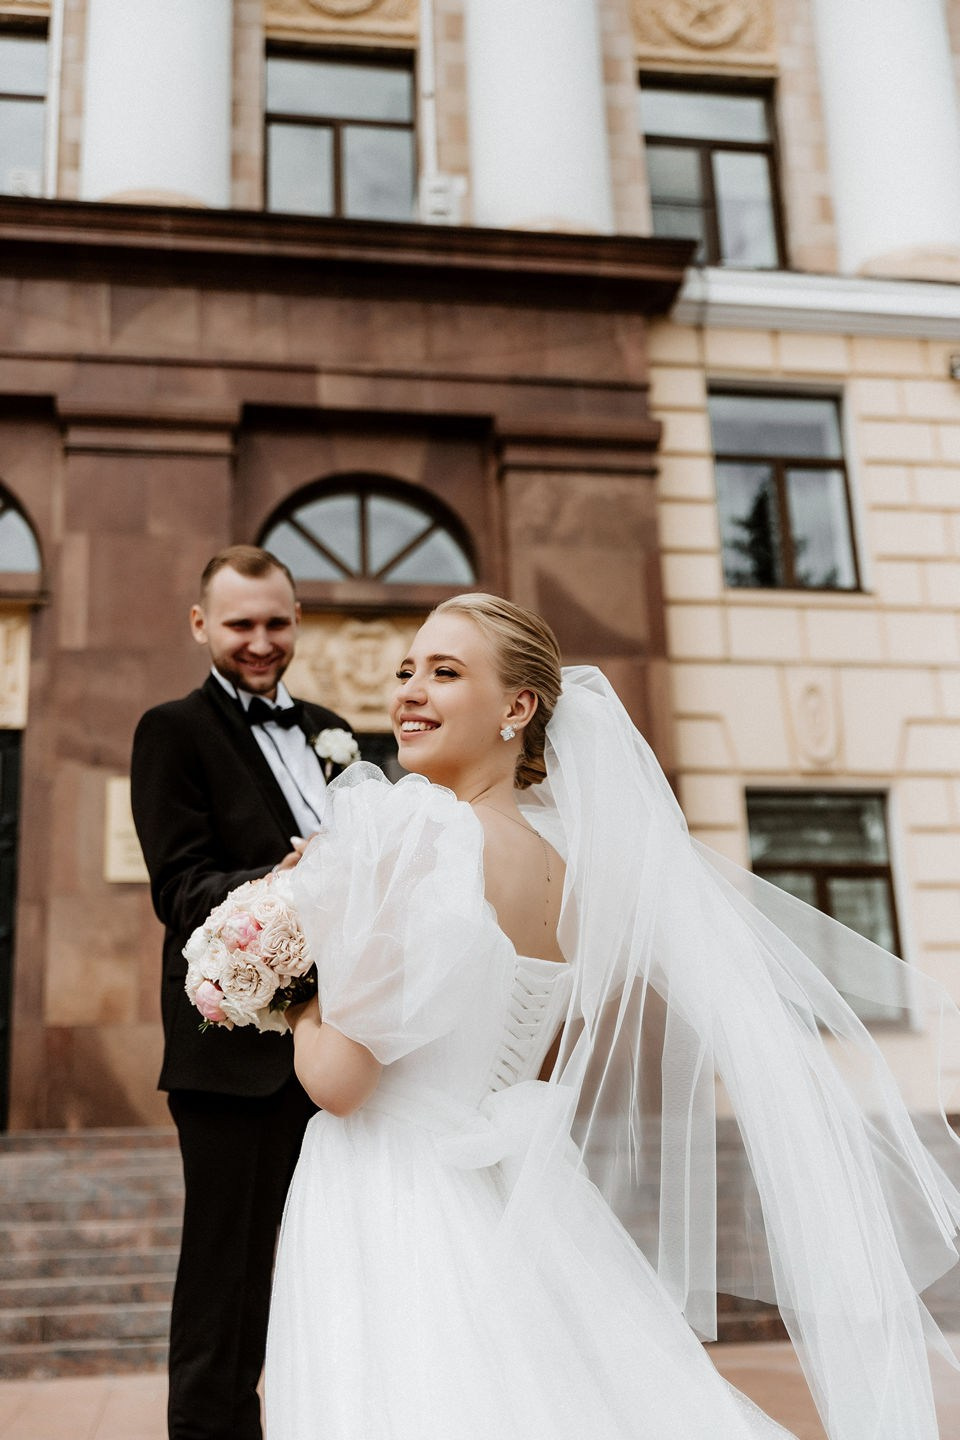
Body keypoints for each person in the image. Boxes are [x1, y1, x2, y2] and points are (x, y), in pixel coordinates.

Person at [264, 593, 960, 1440]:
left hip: (391, 1191)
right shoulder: (572, 868)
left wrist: (289, 987)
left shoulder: (414, 833)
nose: (410, 689)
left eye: (446, 672)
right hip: (506, 1196)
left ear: (517, 708)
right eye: (408, 668)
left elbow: (340, 1081)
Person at [130, 545, 356, 1440]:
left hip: (338, 1055)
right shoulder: (172, 732)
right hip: (232, 1058)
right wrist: (292, 879)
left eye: (276, 622)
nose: (260, 642)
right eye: (239, 624)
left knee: (323, 1279)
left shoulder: (336, 731)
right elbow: (180, 892)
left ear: (297, 619)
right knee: (226, 1296)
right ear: (200, 626)